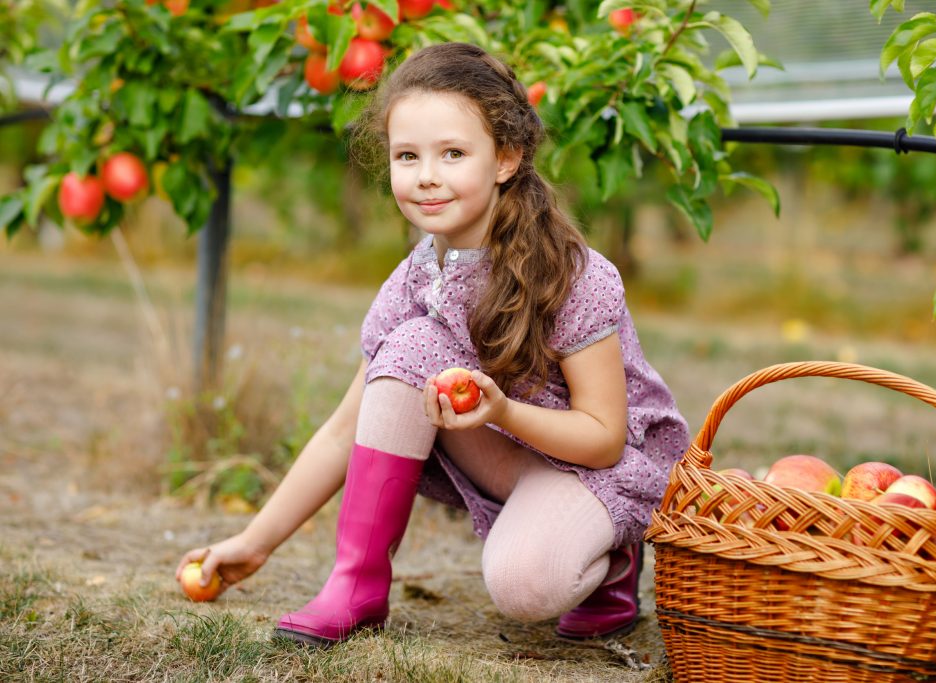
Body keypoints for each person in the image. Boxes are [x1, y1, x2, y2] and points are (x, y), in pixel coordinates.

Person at [175, 41, 689, 647]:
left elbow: (603, 440)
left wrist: (501, 411)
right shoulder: (419, 276)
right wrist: (254, 542)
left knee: (525, 588)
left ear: (505, 158)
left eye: (452, 154)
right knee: (412, 342)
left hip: (595, 469)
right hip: (511, 457)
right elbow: (346, 428)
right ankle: (357, 585)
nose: (425, 176)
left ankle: (614, 559)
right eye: (406, 156)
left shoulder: (576, 276)